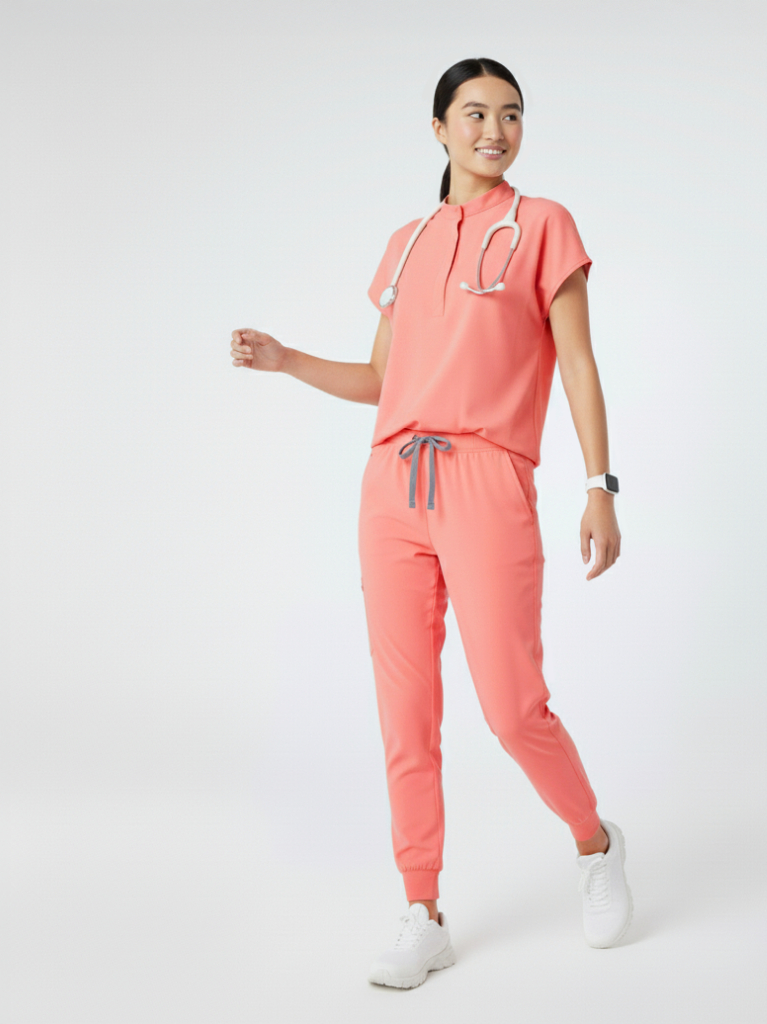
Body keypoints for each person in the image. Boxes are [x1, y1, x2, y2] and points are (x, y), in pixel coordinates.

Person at [229, 57, 632, 989]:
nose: (495, 130)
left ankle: (594, 841)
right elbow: (383, 380)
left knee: (513, 707)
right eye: (475, 113)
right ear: (440, 127)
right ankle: (423, 910)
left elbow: (578, 362)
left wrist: (600, 485)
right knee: (405, 712)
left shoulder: (543, 225)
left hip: (489, 478)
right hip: (392, 487)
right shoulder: (407, 243)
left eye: (511, 115)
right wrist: (288, 360)